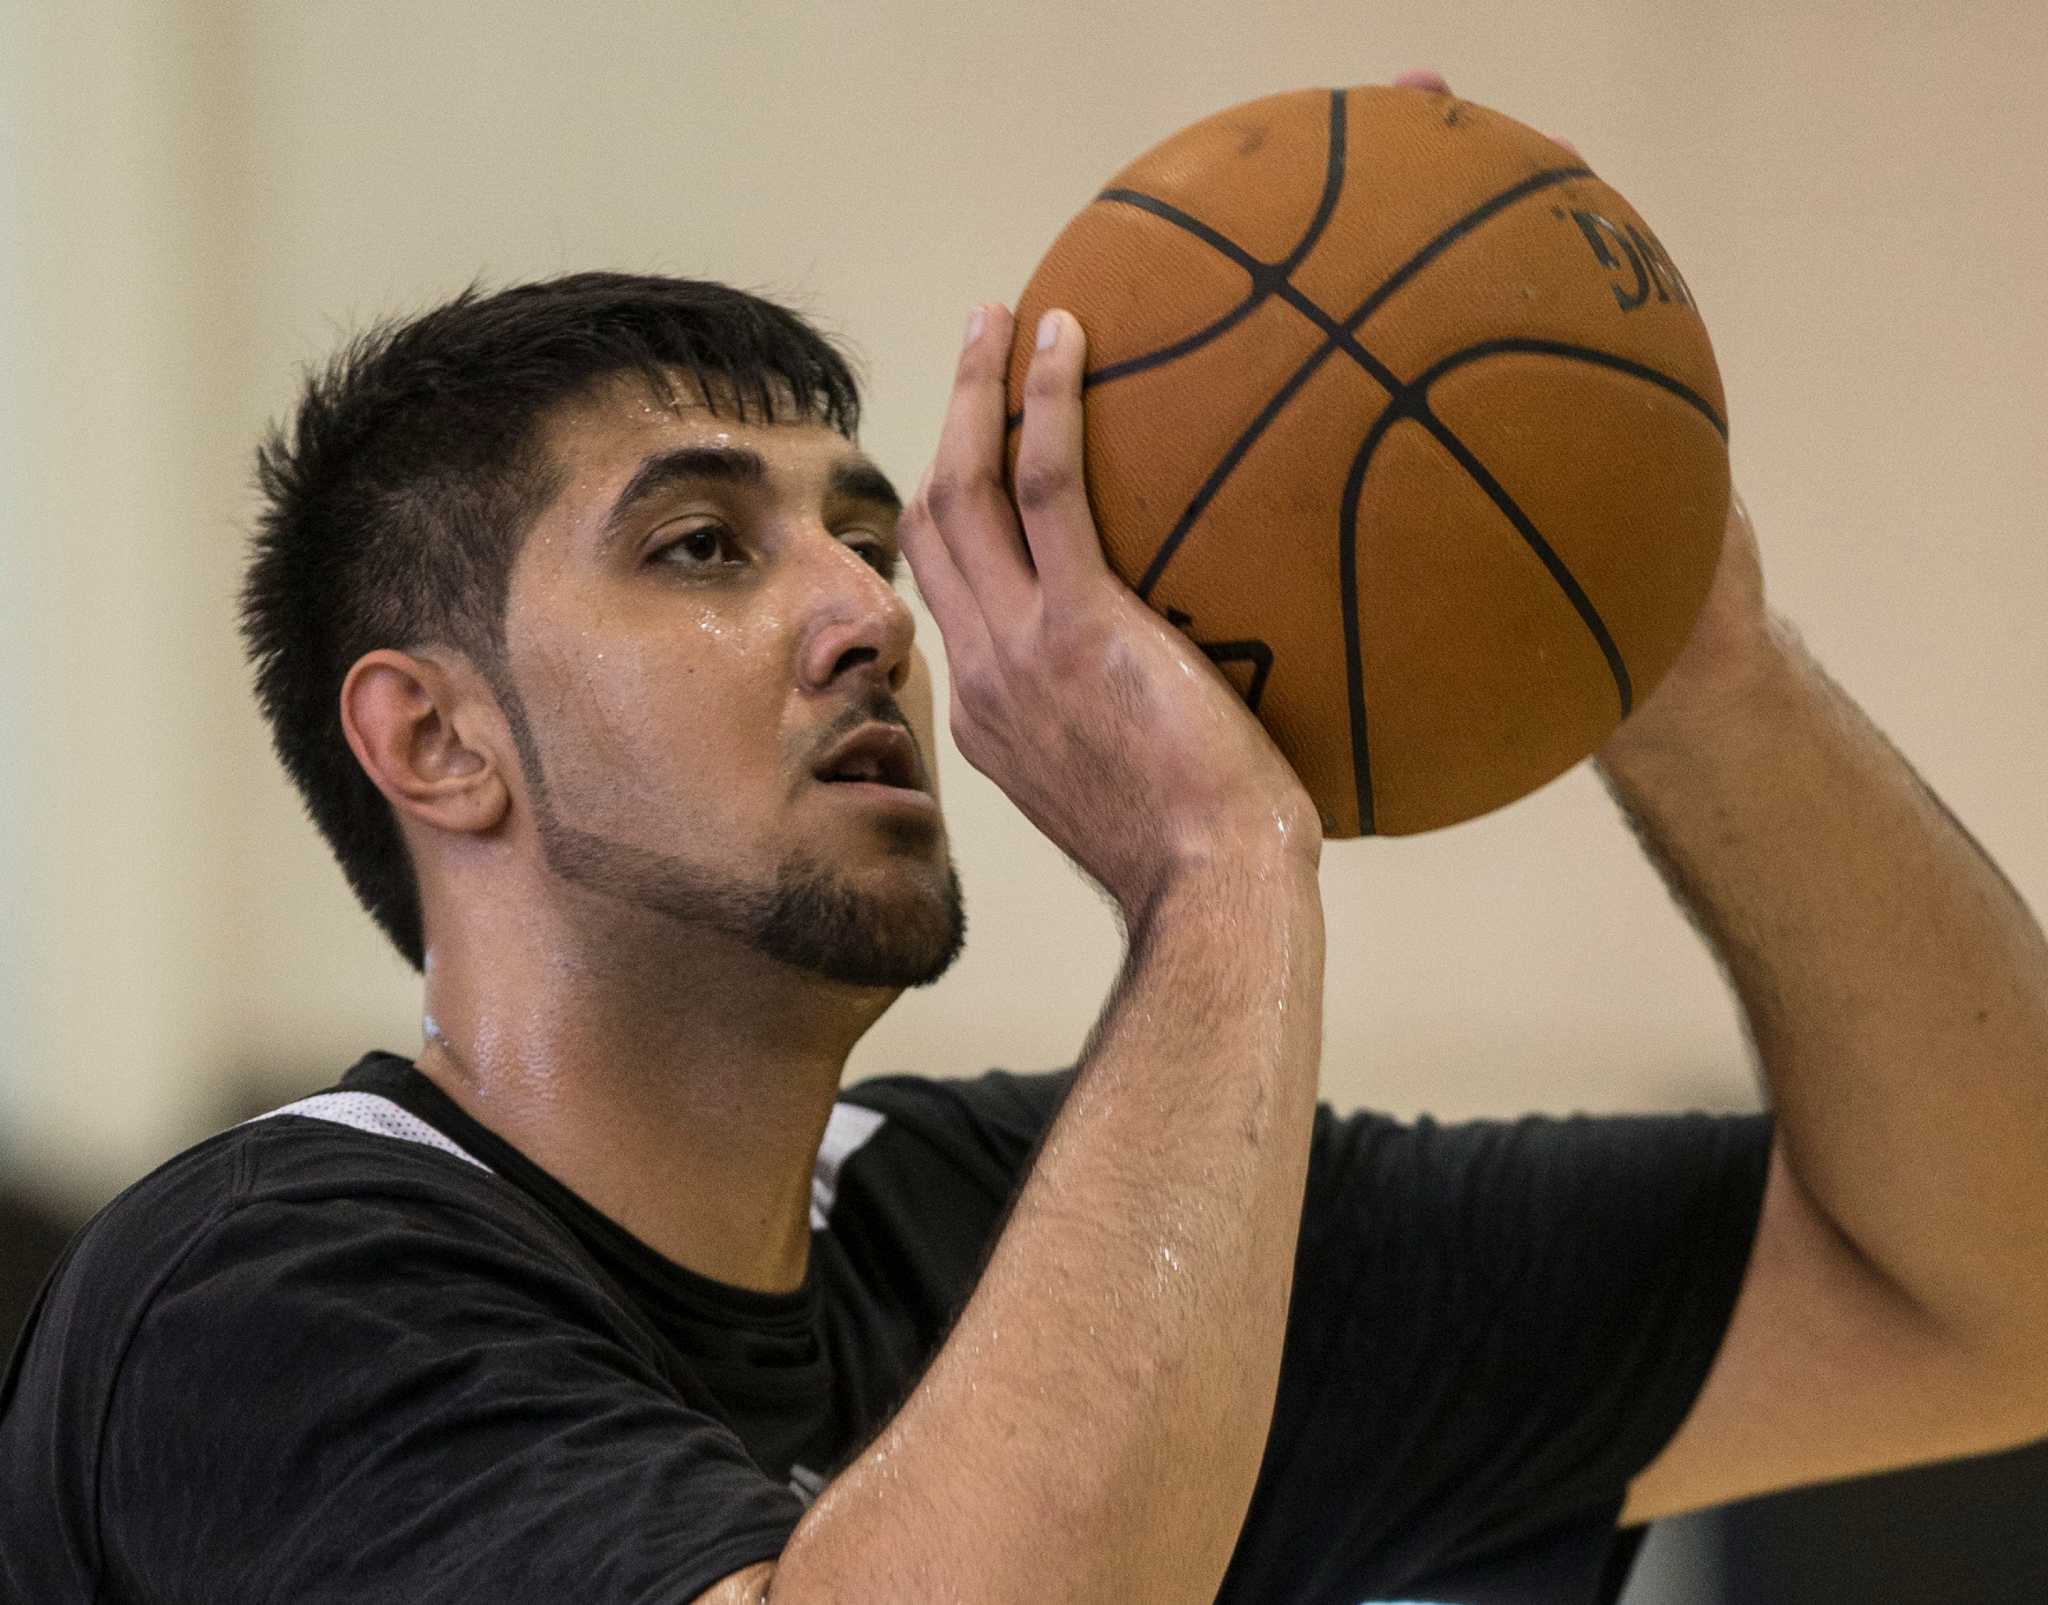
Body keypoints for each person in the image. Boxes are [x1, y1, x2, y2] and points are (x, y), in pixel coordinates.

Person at [4, 87, 2046, 1605]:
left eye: (873, 537)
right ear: (434, 739)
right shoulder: (266, 1293)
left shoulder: (1004, 1222)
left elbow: (1993, 1285)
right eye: (706, 544)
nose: (864, 609)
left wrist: (1693, 661)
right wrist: (1219, 872)